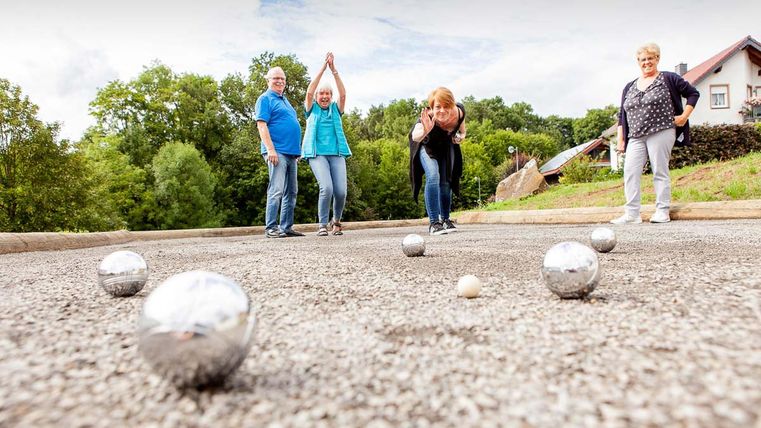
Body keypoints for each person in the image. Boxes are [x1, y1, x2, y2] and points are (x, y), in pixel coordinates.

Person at [611, 43, 700, 225]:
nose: (647, 62)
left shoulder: (668, 78)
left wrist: (683, 116)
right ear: (638, 62)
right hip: (635, 135)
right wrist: (621, 140)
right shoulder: (629, 87)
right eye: (643, 59)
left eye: (650, 58)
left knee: (659, 170)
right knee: (630, 172)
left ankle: (662, 210)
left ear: (657, 59)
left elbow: (693, 93)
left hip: (661, 130)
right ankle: (632, 214)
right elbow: (622, 115)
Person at [302, 52, 351, 236]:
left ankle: (336, 221)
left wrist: (334, 70)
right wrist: (323, 68)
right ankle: (322, 224)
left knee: (341, 192)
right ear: (316, 96)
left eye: (327, 94)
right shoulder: (311, 108)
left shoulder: (336, 109)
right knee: (327, 187)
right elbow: (309, 90)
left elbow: (344, 94)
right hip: (316, 154)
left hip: (336, 153)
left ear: (331, 96)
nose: (324, 96)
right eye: (321, 93)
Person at [409, 87, 466, 235]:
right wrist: (425, 131)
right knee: (433, 176)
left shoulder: (459, 112)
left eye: (446, 106)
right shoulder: (426, 118)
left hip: (446, 148)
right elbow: (415, 136)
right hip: (427, 148)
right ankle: (434, 223)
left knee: (446, 182)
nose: (442, 110)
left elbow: (463, 130)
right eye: (437, 107)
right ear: (432, 107)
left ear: (452, 105)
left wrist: (461, 137)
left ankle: (446, 220)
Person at [255, 66, 305, 238]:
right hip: (276, 151)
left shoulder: (285, 100)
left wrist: (297, 150)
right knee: (276, 189)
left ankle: (286, 227)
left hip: (291, 153)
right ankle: (271, 227)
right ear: (268, 80)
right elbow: (261, 125)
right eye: (276, 78)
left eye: (282, 79)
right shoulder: (265, 99)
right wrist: (270, 149)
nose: (280, 81)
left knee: (291, 191)